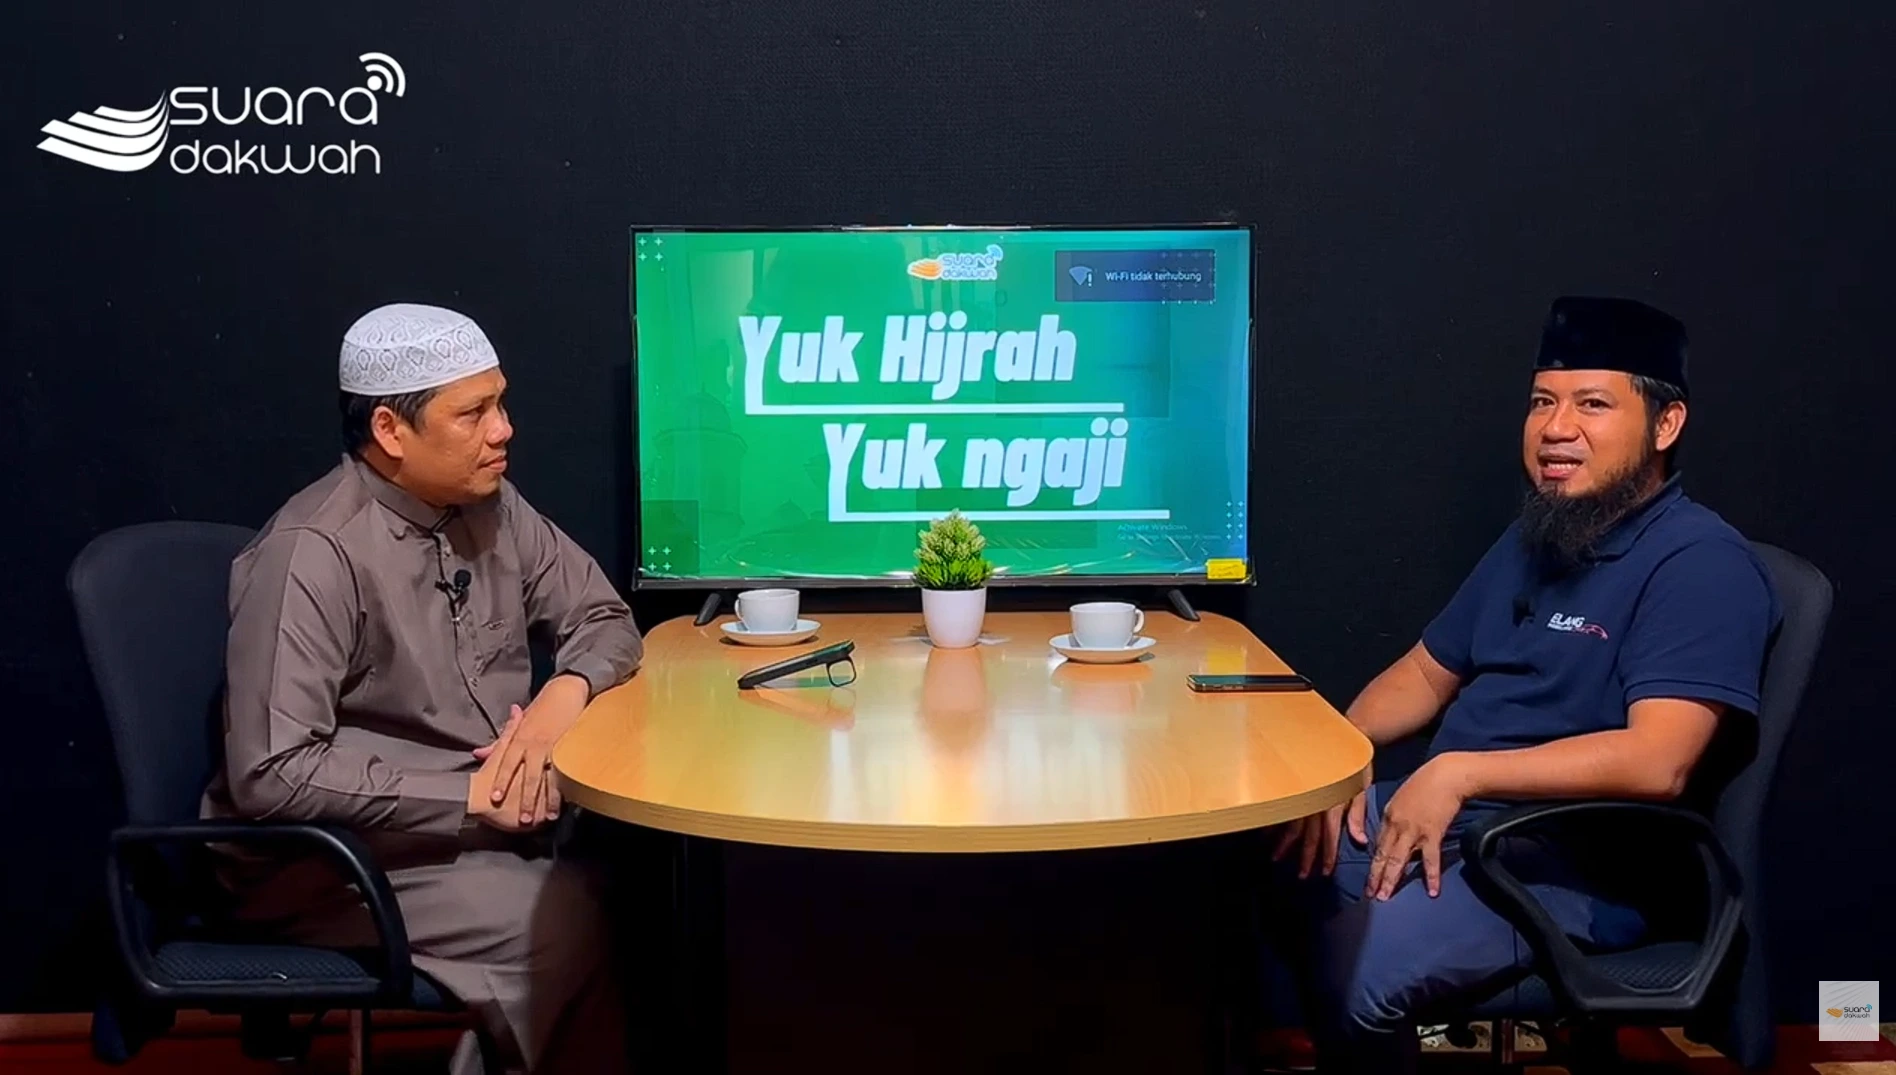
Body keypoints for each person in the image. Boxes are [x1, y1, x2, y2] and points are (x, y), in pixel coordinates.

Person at [1264, 296, 1781, 1072]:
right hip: (1469, 826)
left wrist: (1461, 772)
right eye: (1542, 401)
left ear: (1666, 424)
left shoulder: (1701, 565)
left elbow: (1659, 760)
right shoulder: (1538, 535)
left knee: (1360, 972)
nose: (1555, 428)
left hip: (1572, 867)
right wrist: (1342, 758)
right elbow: (1424, 671)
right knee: (1246, 860)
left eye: (1592, 404)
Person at [201, 302, 643, 1074]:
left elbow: (603, 617)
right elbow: (272, 772)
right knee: (560, 922)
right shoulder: (311, 554)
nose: (503, 430)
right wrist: (473, 796)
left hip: (479, 831)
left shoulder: (494, 507)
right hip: (329, 862)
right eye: (473, 413)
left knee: (654, 870)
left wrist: (557, 702)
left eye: (501, 403)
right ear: (390, 430)